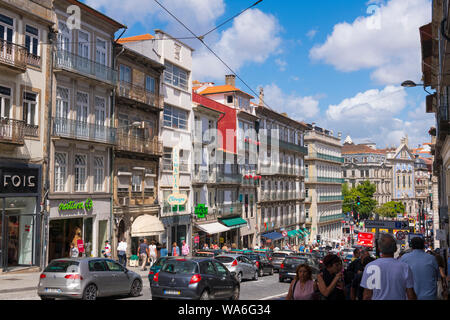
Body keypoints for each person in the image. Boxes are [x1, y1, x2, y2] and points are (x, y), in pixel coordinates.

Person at [361, 233, 416, 300]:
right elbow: (411, 296)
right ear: (395, 249)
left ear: (379, 248)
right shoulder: (405, 267)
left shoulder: (370, 267)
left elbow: (367, 296)